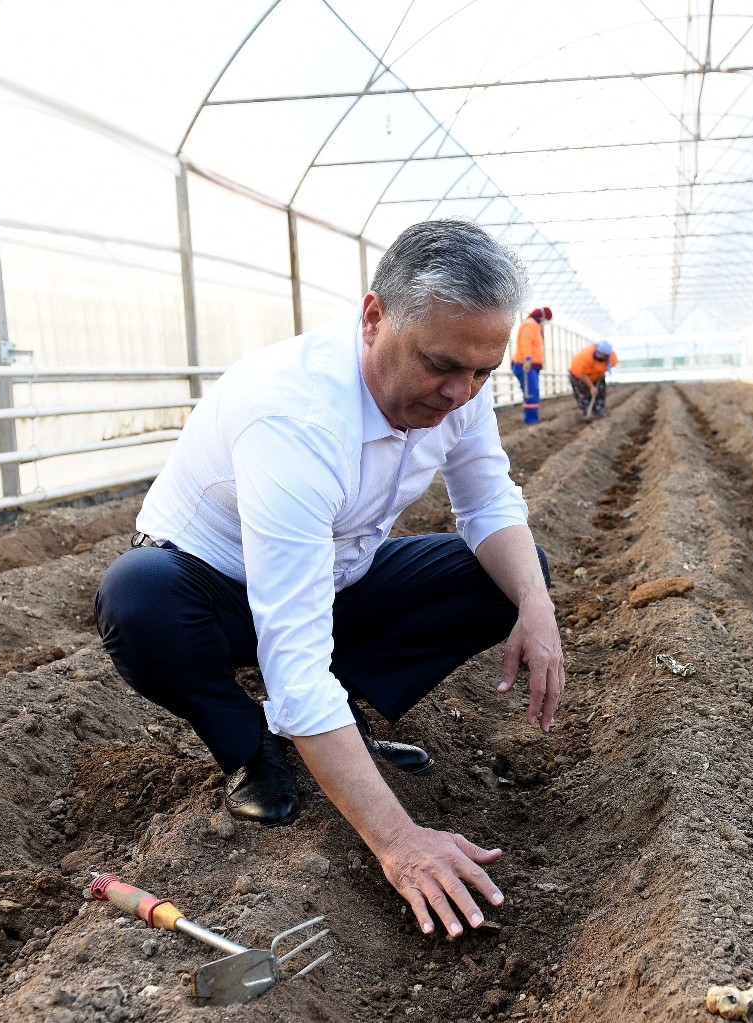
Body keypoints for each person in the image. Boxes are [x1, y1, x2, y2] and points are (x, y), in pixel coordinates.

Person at [93, 219, 564, 940]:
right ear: (374, 317)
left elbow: (489, 500)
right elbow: (293, 655)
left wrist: (536, 603)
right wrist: (400, 844)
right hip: (212, 589)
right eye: (442, 365)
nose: (461, 391)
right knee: (139, 597)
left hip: (340, 572)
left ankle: (348, 726)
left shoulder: (459, 389)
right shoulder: (295, 418)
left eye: (482, 372)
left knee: (512, 575)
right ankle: (251, 747)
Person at [510, 306, 550, 424]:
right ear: (543, 317)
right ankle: (531, 420)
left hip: (531, 365)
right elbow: (525, 342)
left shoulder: (535, 326)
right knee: (531, 392)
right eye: (547, 319)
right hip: (526, 365)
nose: (546, 322)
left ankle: (532, 418)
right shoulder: (530, 324)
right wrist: (528, 359)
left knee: (532, 392)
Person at [568, 340, 618, 418]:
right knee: (583, 395)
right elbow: (583, 374)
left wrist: (602, 373)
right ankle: (586, 412)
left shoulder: (612, 356)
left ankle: (599, 410)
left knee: (600, 392)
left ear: (606, 356)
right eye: (598, 353)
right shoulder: (586, 356)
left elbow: (612, 364)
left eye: (601, 354)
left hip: (597, 375)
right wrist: (591, 387)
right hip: (578, 376)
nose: (598, 355)